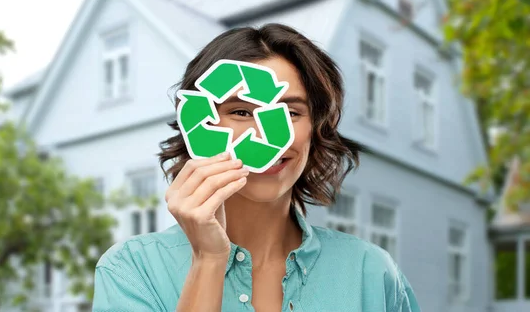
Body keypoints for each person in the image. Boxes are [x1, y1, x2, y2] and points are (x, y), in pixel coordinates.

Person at [92, 24, 421, 312]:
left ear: (316, 130)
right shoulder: (131, 270)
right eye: (241, 112)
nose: (267, 138)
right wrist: (208, 260)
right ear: (198, 121)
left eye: (291, 113)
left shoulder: (373, 274)